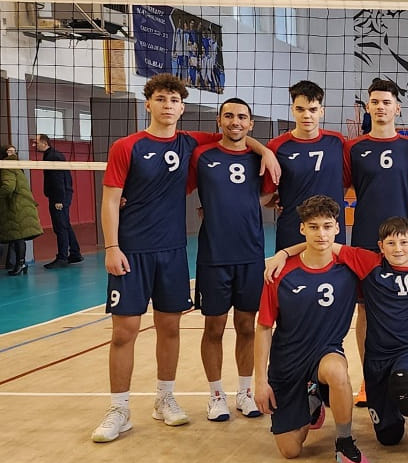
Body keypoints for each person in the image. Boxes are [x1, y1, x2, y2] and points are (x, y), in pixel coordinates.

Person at [91, 73, 280, 443]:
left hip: (174, 251)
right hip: (131, 250)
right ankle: (119, 409)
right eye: (161, 99)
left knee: (170, 328)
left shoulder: (190, 143)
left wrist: (266, 150)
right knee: (124, 332)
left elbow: (237, 136)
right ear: (148, 103)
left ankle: (164, 398)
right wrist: (112, 247)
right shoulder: (126, 146)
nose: (168, 106)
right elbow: (110, 200)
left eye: (174, 100)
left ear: (182, 108)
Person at [254, 195, 370, 463]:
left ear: (337, 228)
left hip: (325, 352)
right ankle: (313, 397)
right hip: (288, 361)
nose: (321, 234)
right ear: (302, 228)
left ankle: (344, 442)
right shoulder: (279, 273)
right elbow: (264, 327)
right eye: (314, 227)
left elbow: (394, 259)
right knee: (291, 450)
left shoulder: (350, 265)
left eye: (327, 226)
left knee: (338, 372)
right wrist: (259, 381)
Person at [327, 216, 408, 462]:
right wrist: (284, 253)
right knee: (388, 437)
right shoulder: (370, 264)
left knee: (403, 378)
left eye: (404, 242)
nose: (398, 249)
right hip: (378, 356)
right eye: (391, 243)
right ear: (381, 246)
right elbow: (325, 242)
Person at [187, 98, 272, 422]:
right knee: (214, 327)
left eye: (241, 117)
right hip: (214, 256)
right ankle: (216, 396)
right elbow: (175, 186)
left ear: (251, 124)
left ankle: (245, 392)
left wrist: (240, 204)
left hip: (250, 254)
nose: (235, 122)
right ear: (219, 121)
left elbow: (268, 195)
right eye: (229, 116)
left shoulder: (259, 159)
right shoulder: (202, 155)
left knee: (247, 326)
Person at [344, 78, 408, 407]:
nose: (380, 107)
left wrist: (399, 205)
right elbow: (343, 186)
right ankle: (368, 379)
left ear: (397, 108)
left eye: (386, 102)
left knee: (402, 307)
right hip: (365, 237)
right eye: (375, 102)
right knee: (365, 309)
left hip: (401, 241)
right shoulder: (354, 148)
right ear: (368, 107)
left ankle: (404, 374)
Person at [264, 81, 347, 251]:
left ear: (321, 111)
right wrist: (278, 200)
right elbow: (267, 192)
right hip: (293, 228)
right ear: (292, 110)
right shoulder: (277, 146)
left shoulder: (337, 141)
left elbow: (346, 182)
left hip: (330, 229)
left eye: (313, 110)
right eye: (300, 109)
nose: (306, 115)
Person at [36, 134, 82, 269]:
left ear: (44, 143)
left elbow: (58, 179)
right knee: (65, 224)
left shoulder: (53, 156)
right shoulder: (51, 155)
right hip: (62, 194)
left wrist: (58, 199)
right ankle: (75, 253)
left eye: (36, 142)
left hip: (60, 196)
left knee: (60, 226)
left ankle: (62, 257)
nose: (34, 145)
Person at [1, 145, 43, 276]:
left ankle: (20, 264)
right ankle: (21, 263)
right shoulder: (18, 165)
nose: (12, 153)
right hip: (23, 205)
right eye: (10, 151)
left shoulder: (7, 166)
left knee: (18, 236)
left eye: (13, 151)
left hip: (16, 207)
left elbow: (8, 187)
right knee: (19, 237)